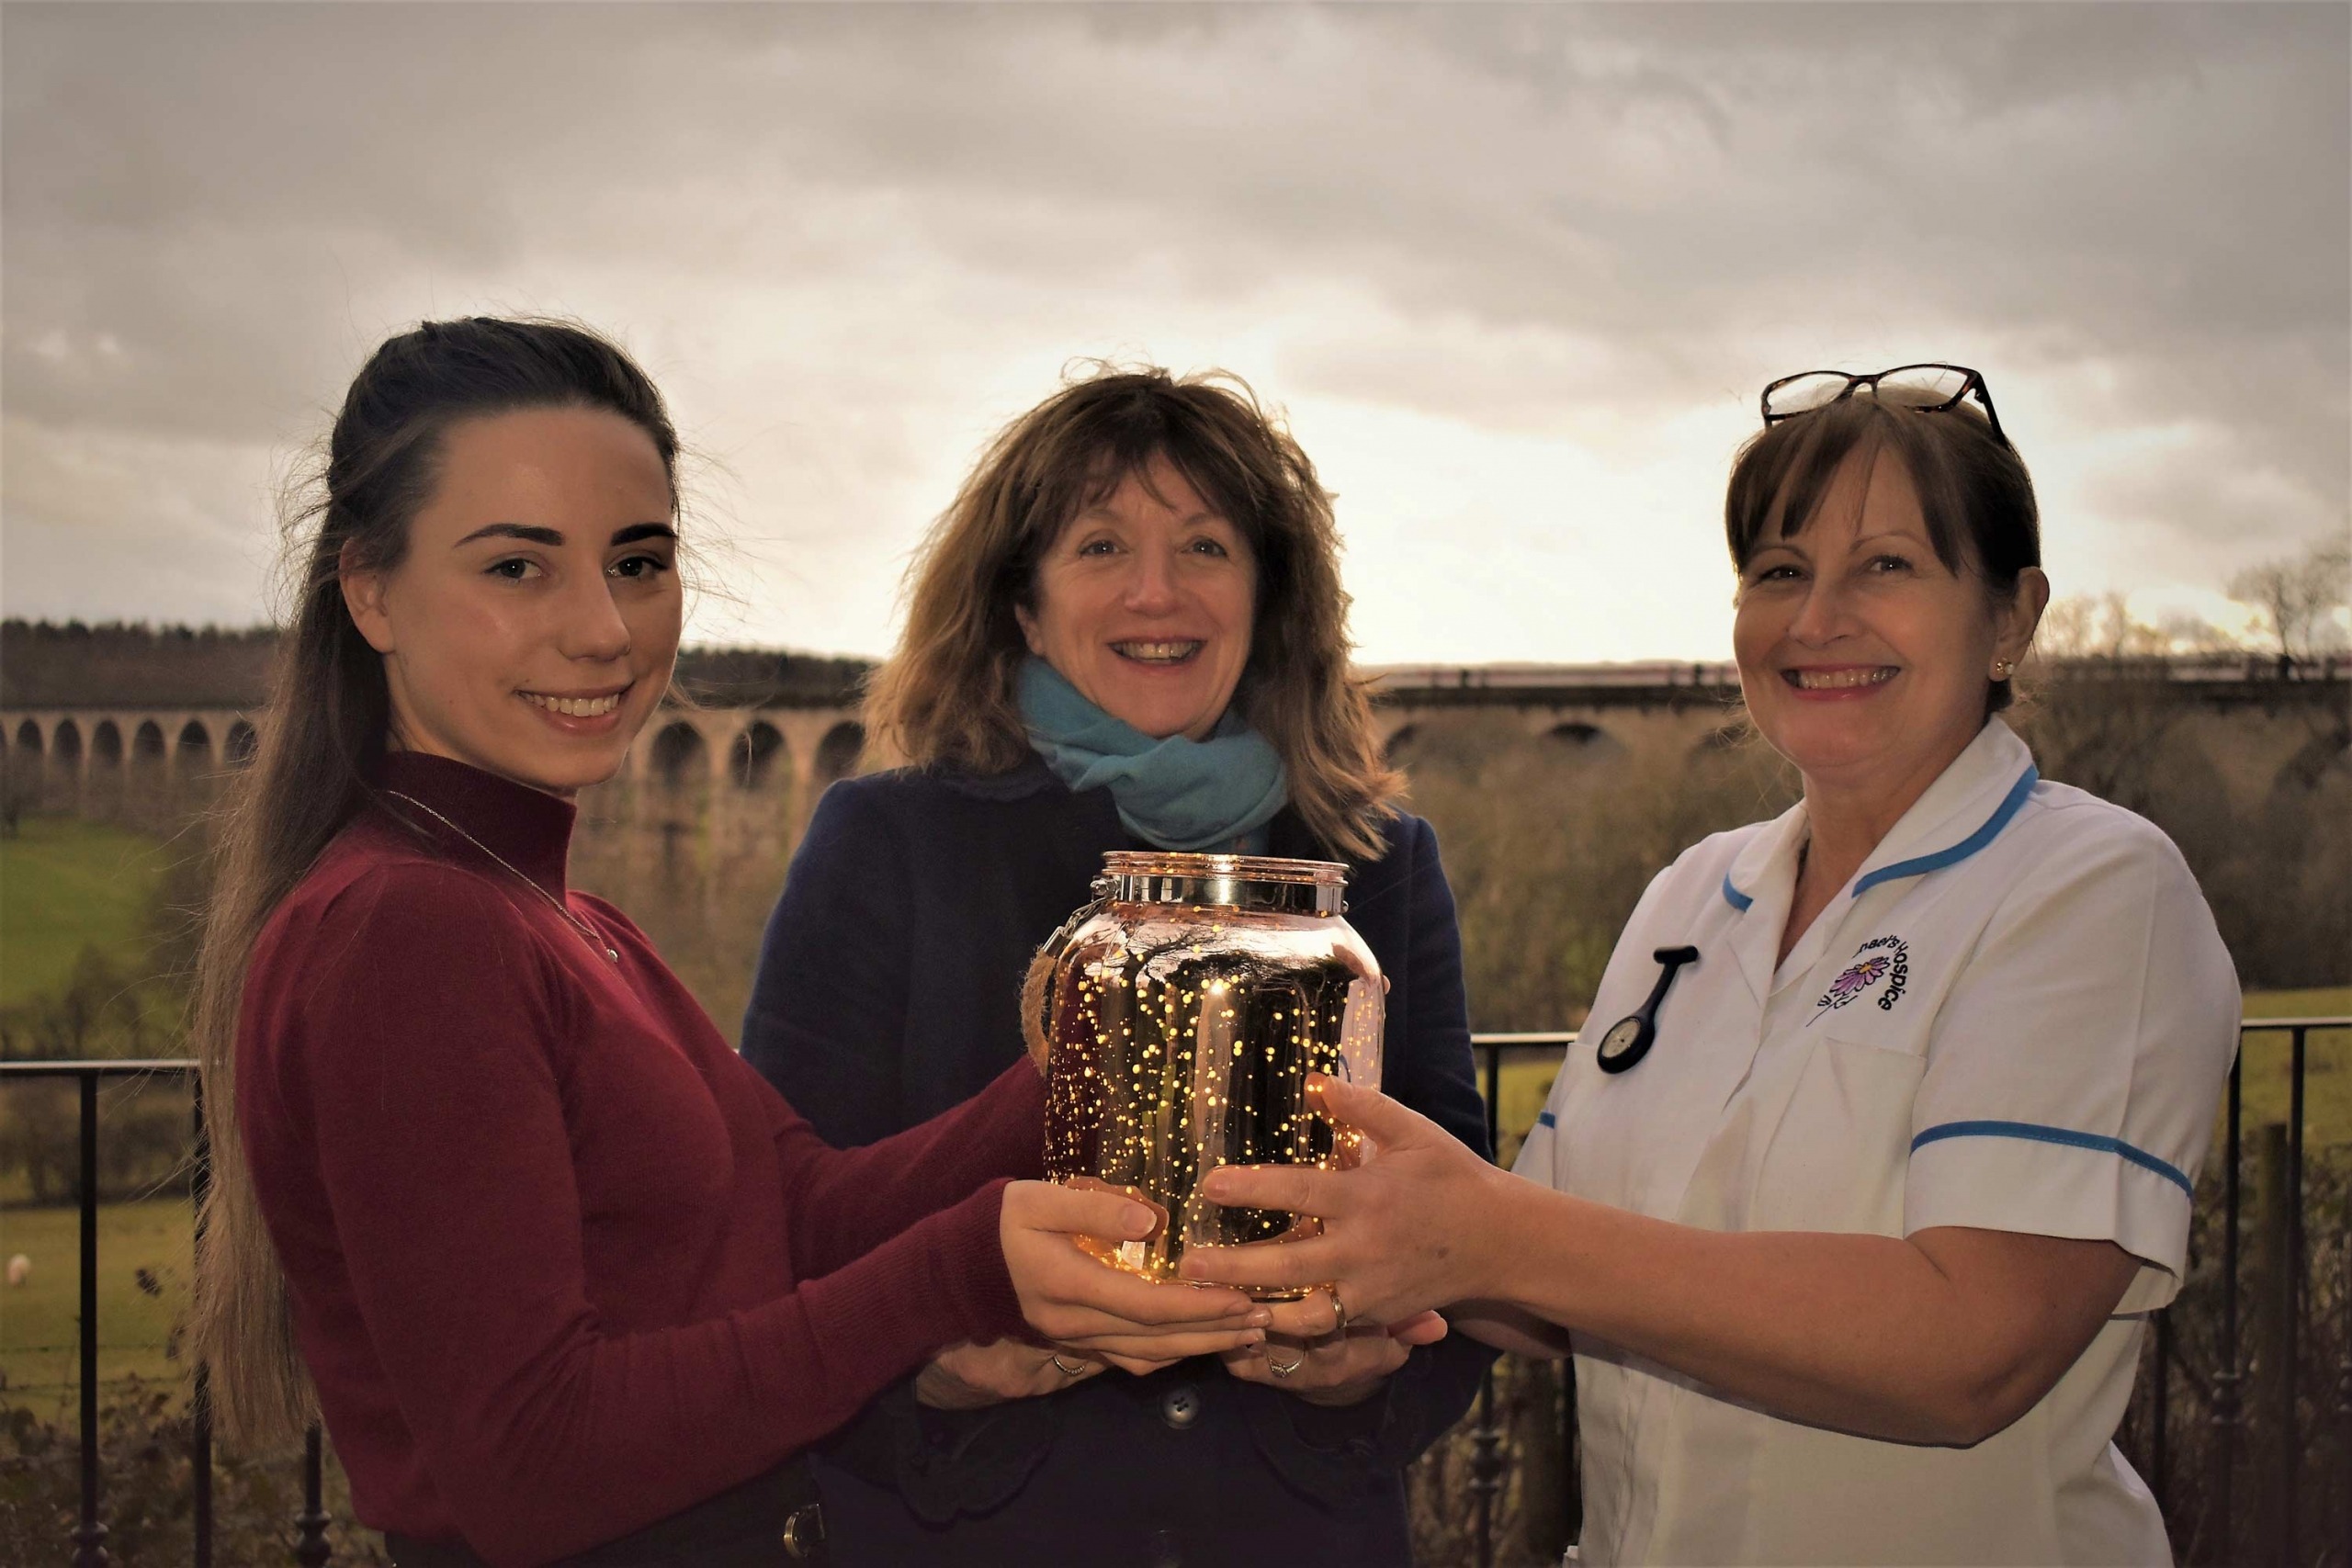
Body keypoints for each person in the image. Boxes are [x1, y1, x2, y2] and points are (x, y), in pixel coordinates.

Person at [185, 320, 1271, 1568]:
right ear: (370, 588)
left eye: (638, 562)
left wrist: (1099, 1063)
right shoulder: (408, 929)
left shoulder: (559, 919)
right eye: (516, 570)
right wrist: (964, 1269)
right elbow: (533, 1464)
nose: (603, 628)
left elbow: (796, 1212)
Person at [1187, 365, 2241, 1564]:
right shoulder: (1695, 895)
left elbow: (1973, 1349)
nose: (1817, 618)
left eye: (1886, 566)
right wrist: (1362, 1288)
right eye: (1779, 572)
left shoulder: (2094, 888)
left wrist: (1493, 1239)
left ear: (2010, 617)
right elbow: (1542, 1276)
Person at [739, 366, 1496, 1565]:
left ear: (1269, 595)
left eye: (1205, 544)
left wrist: (1356, 1380)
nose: (1158, 591)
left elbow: (1470, 1243)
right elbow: (774, 1240)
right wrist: (941, 1383)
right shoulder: (890, 841)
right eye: (1100, 546)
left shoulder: (1375, 861)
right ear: (1025, 606)